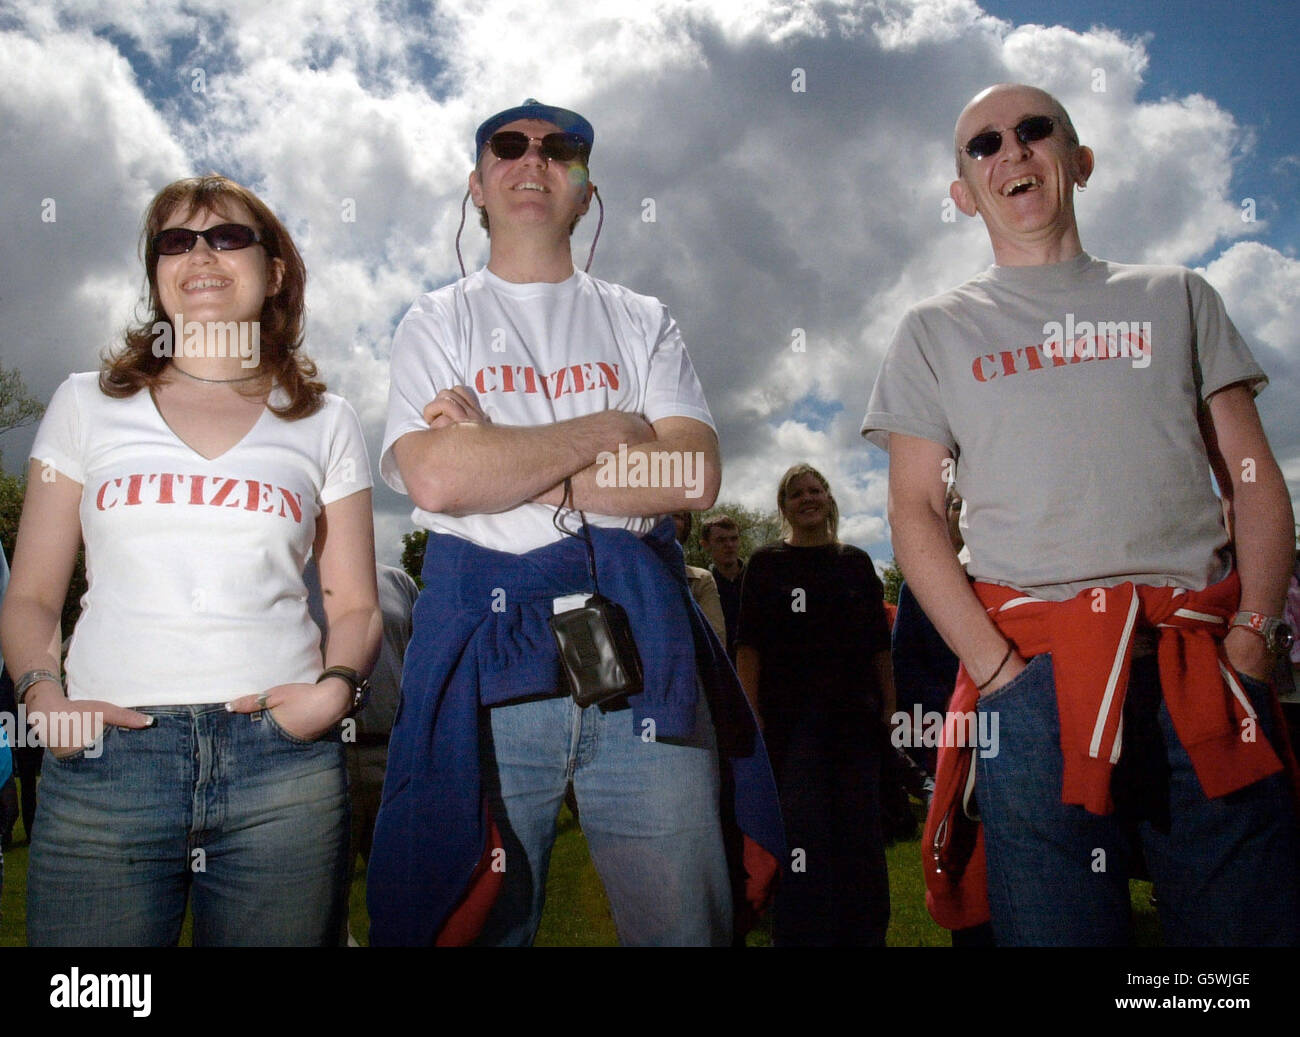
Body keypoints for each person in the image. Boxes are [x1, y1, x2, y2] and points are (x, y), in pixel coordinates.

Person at [863, 83, 1300, 946]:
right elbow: (914, 508)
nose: (1011, 152)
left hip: (1197, 668)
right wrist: (994, 672)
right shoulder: (932, 329)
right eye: (983, 144)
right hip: (1033, 682)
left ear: (1080, 161)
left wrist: (1253, 634)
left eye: (1035, 131)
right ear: (963, 192)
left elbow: (1252, 474)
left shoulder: (1177, 294)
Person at [370, 99, 782, 947]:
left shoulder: (642, 317)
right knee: (471, 918)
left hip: (642, 662)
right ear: (476, 185)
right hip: (485, 665)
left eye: (562, 150)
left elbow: (689, 473)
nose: (534, 161)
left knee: (686, 930)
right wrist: (609, 430)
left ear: (588, 190)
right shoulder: (435, 320)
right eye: (508, 148)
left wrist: (498, 454)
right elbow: (441, 478)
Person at [0, 174, 380, 947]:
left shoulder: (327, 421)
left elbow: (355, 605)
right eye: (176, 240)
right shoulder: (83, 404)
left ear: (274, 271)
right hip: (108, 761)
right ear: (156, 275)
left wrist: (332, 692)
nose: (200, 252)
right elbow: (33, 593)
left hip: (284, 767)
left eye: (227, 235)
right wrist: (42, 696)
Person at [734, 463, 895, 946]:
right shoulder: (764, 565)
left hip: (855, 722)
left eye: (816, 489)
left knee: (861, 836)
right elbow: (749, 647)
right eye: (796, 493)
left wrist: (890, 707)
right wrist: (753, 714)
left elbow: (878, 646)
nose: (808, 498)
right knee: (805, 837)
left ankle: (865, 936)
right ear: (783, 507)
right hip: (790, 725)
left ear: (829, 499)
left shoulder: (855, 563)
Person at [671, 510, 727, 645]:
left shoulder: (700, 581)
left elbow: (715, 641)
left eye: (676, 516)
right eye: (660, 515)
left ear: (686, 527)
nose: (668, 521)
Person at [701, 515, 745, 661]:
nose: (729, 545)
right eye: (721, 540)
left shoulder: (756, 579)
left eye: (734, 539)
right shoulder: (702, 588)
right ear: (705, 545)